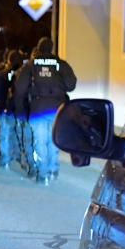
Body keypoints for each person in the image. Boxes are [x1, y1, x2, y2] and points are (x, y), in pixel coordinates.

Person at [13, 37, 77, 183]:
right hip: (57, 110)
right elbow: (71, 85)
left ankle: (43, 174)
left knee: (39, 141)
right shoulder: (60, 64)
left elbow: (19, 88)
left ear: (39, 48)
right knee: (54, 140)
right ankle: (54, 170)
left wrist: (20, 108)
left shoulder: (30, 66)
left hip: (37, 109)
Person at [0, 50, 24, 168]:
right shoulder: (23, 73)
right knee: (16, 133)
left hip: (3, 108)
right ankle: (16, 155)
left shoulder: (1, 74)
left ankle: (4, 159)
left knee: (4, 133)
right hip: (18, 109)